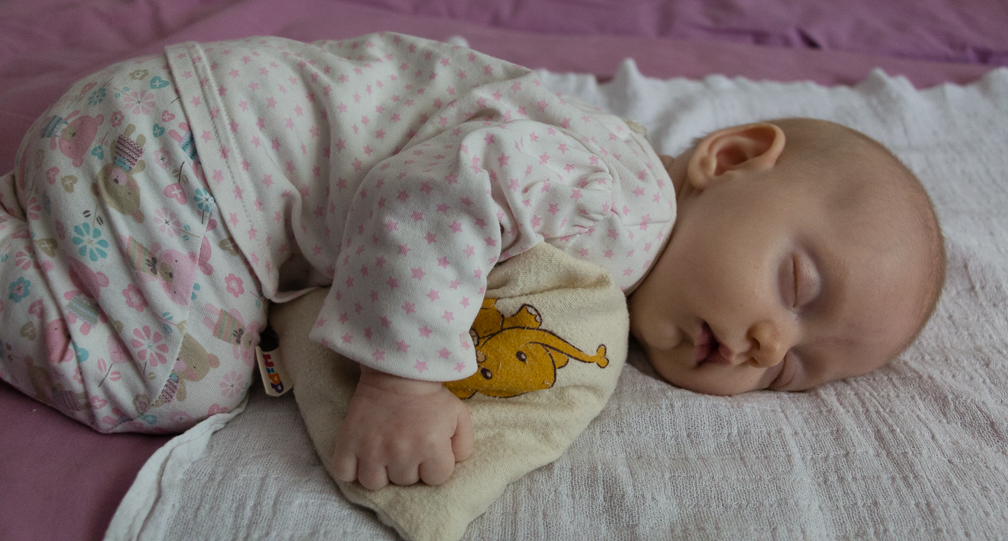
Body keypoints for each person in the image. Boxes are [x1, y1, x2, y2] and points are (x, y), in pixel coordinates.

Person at [0, 33, 944, 491]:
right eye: (795, 286)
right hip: (179, 153)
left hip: (162, 121)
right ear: (729, 160)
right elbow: (433, 192)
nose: (767, 343)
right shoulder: (622, 205)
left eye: (790, 372)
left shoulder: (606, 224)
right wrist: (403, 382)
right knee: (173, 380)